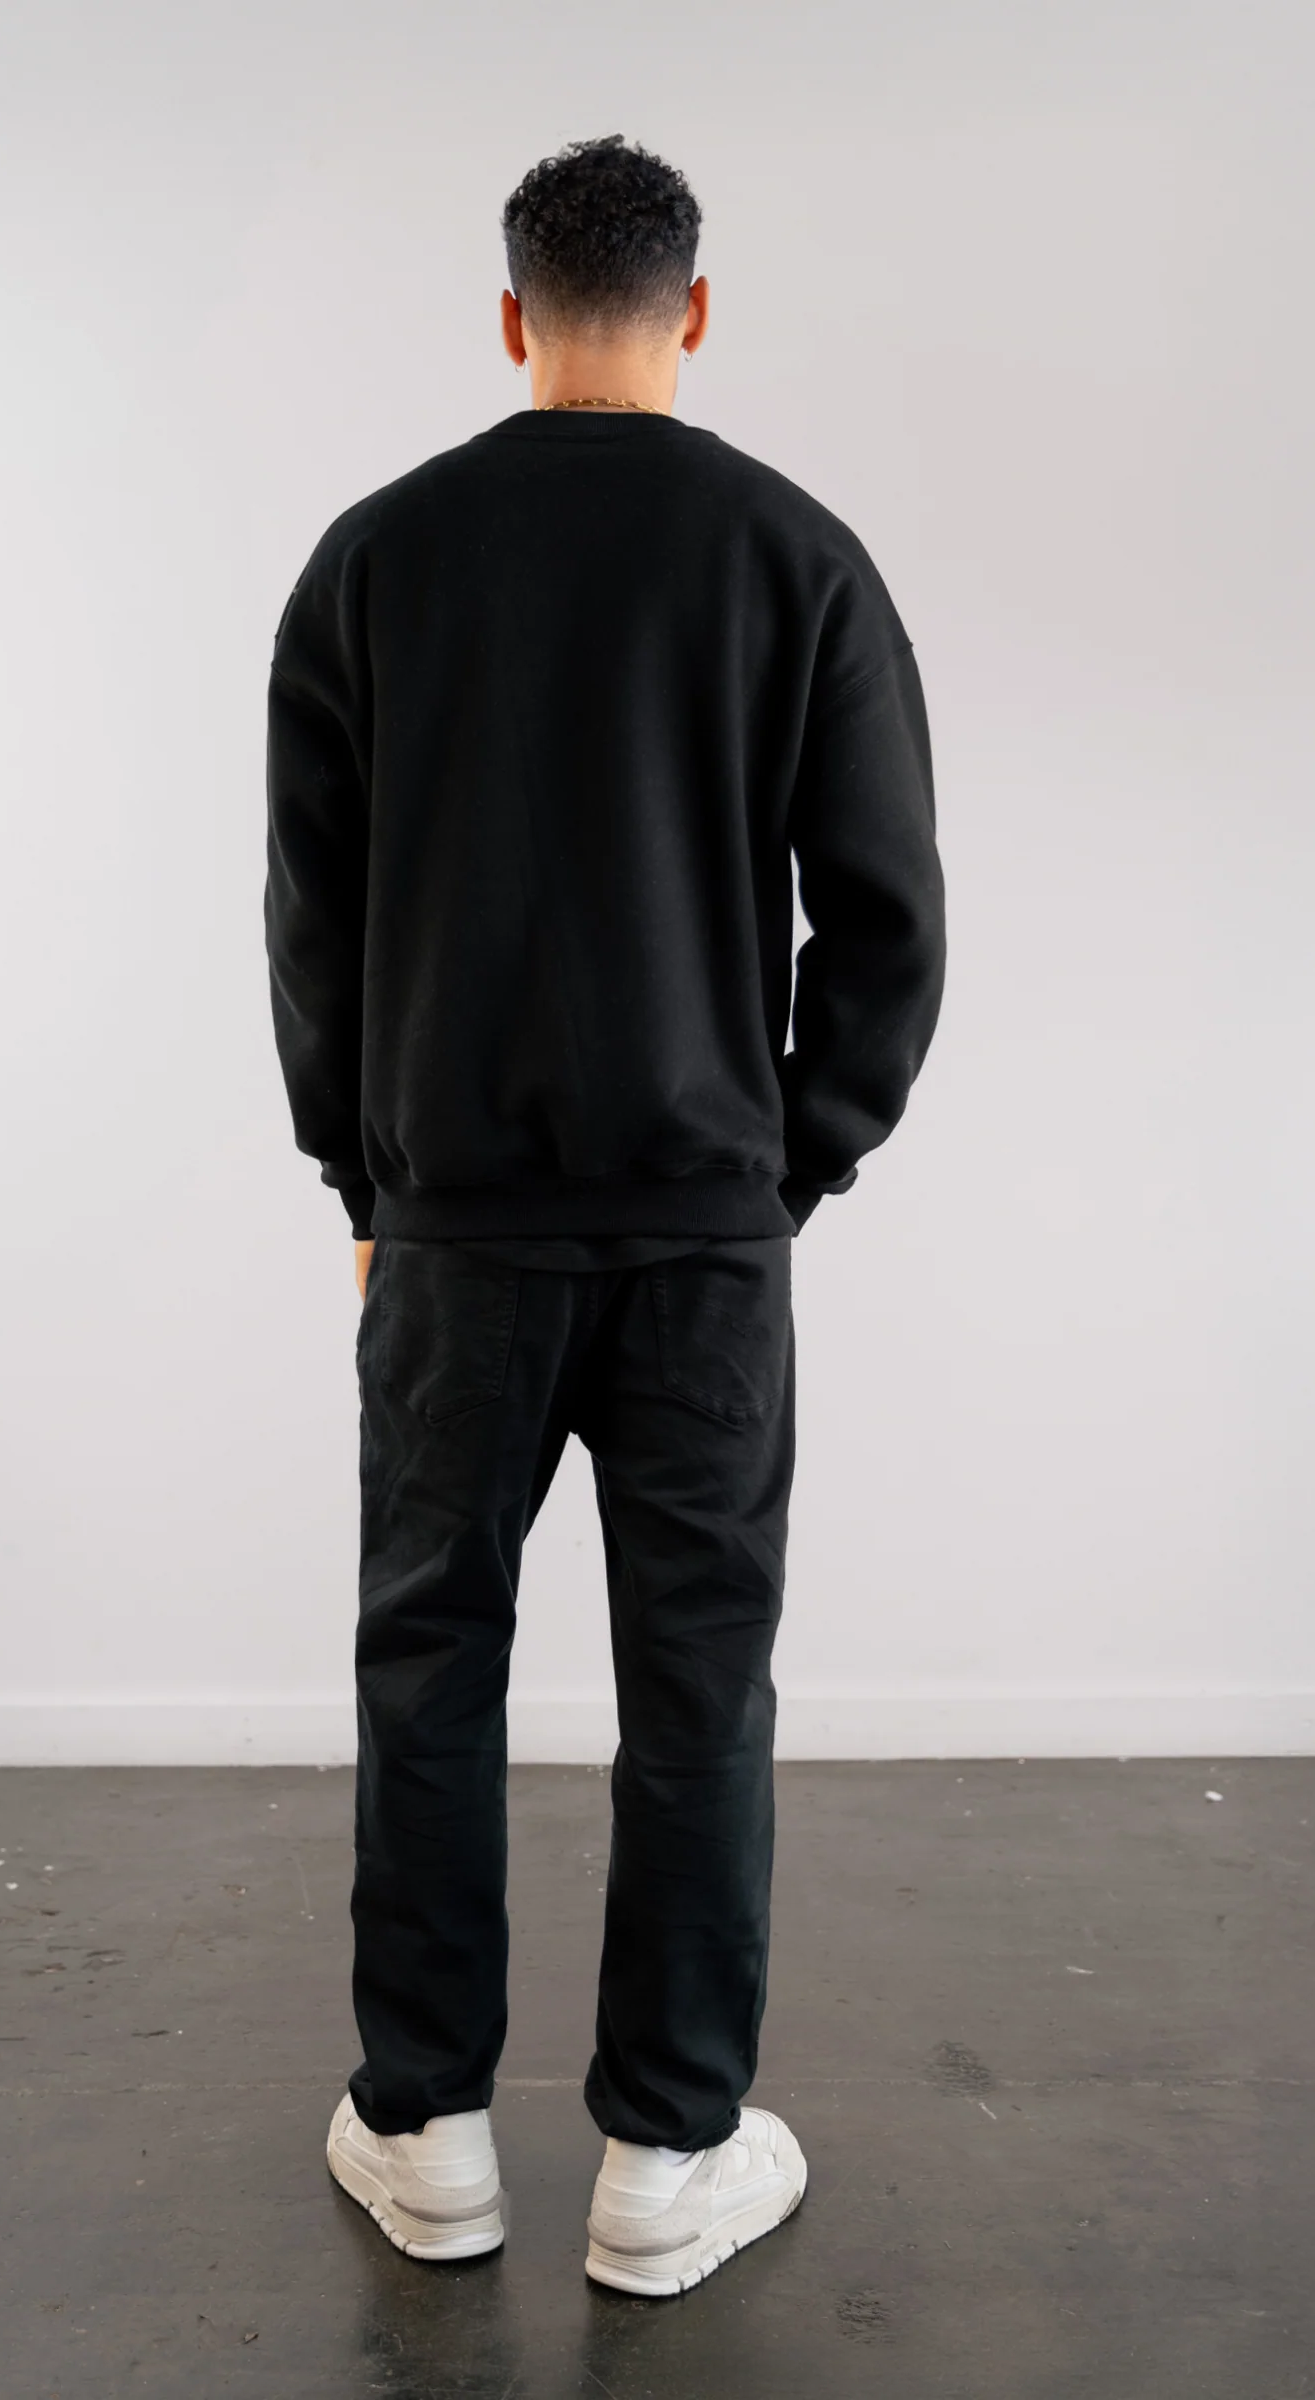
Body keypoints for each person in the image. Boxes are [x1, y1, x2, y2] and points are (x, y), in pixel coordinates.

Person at [264, 133, 945, 2298]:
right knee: (700, 1689)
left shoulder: (376, 560)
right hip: (701, 1245)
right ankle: (668, 2154)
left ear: (509, 317)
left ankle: (427, 2133)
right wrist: (785, 1164)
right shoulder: (794, 557)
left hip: (453, 1235)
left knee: (429, 1669)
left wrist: (363, 1175)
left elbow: (314, 922)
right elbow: (890, 925)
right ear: (697, 309)